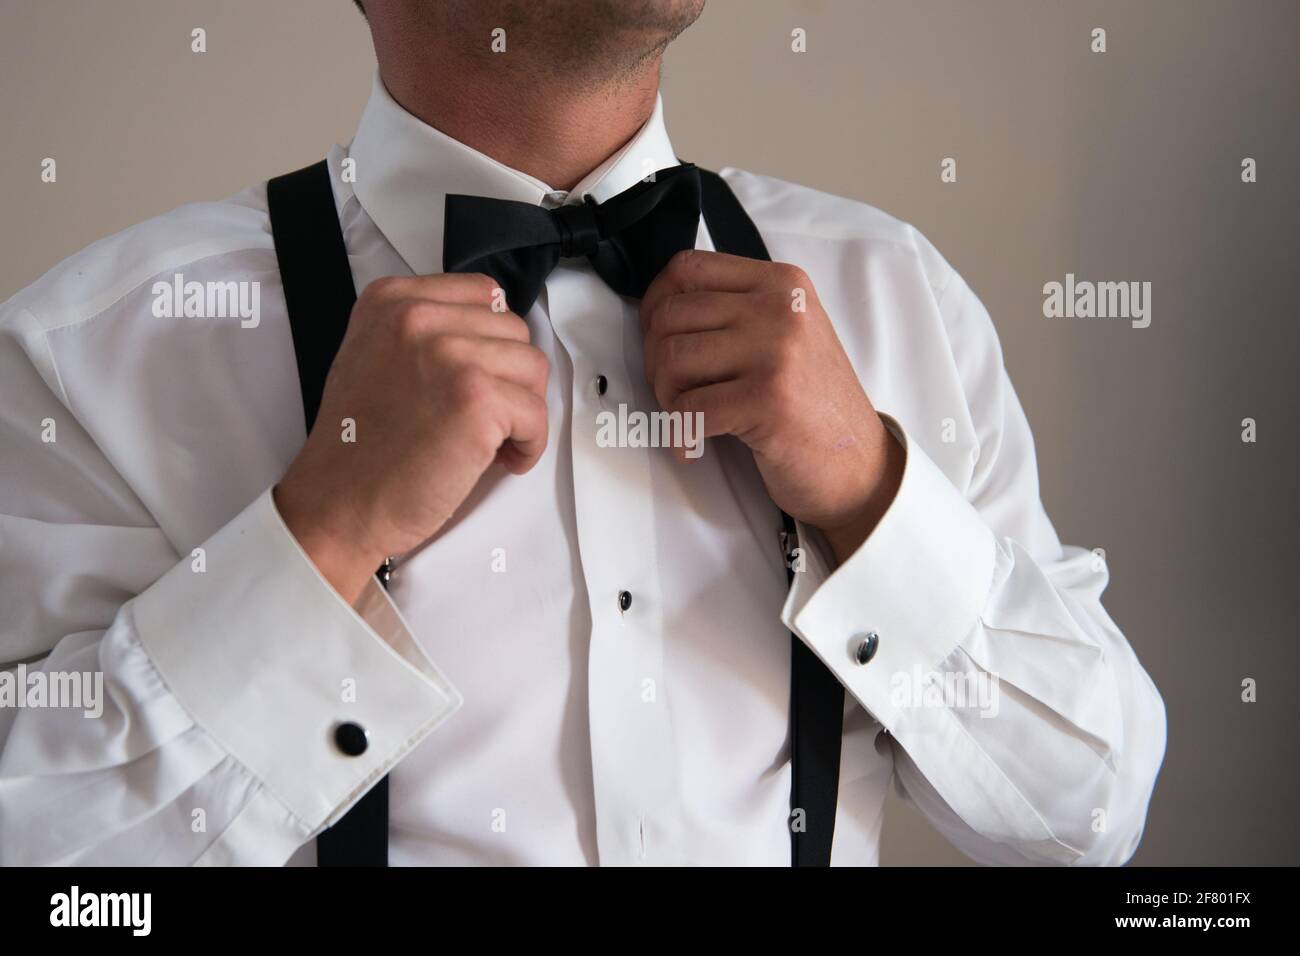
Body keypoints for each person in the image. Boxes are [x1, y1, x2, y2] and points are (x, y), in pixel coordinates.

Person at [0, 0, 1165, 866]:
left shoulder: (889, 294)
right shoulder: (95, 350)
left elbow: (1089, 816)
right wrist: (318, 535)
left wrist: (869, 489)